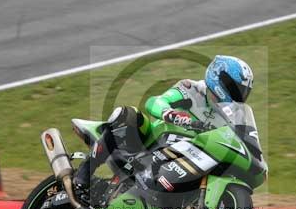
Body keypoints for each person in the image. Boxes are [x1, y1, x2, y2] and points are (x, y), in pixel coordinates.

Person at [72, 55, 254, 195]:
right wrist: (172, 114)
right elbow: (154, 102)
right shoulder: (192, 89)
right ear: (219, 78)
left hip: (191, 156)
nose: (238, 95)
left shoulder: (234, 115)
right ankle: (84, 174)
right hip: (152, 141)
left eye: (242, 91)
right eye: (235, 88)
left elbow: (246, 140)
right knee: (128, 114)